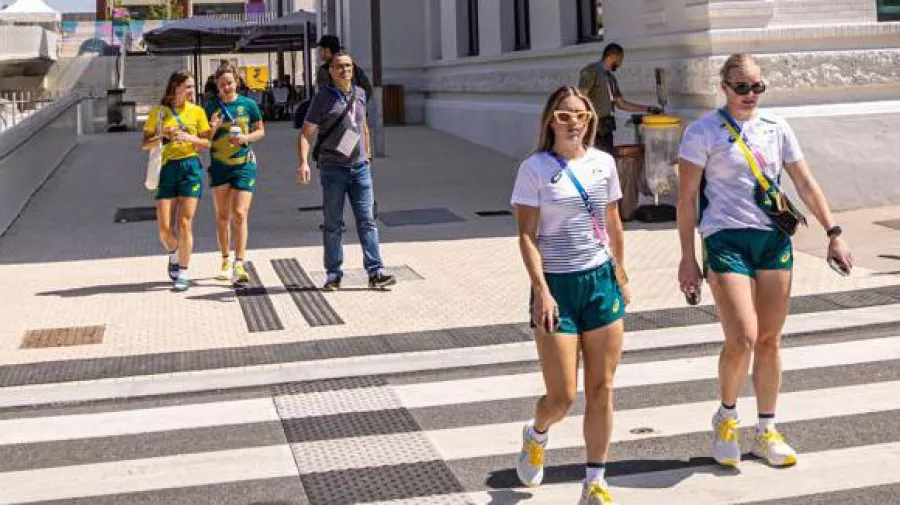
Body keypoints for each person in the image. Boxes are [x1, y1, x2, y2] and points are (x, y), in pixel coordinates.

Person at [676, 53, 854, 469]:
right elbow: (685, 201)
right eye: (742, 86)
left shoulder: (777, 128)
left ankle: (767, 430)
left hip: (773, 241)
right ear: (725, 87)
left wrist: (834, 233)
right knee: (743, 337)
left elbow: (805, 183)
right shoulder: (702, 132)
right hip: (725, 239)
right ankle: (726, 416)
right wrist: (687, 258)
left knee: (771, 340)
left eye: (757, 86)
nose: (750, 94)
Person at [511, 86, 630, 505]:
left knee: (603, 386)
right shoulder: (535, 168)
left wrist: (621, 271)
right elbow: (526, 235)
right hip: (556, 287)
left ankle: (595, 479)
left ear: (591, 120)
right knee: (562, 395)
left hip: (599, 282)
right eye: (564, 116)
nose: (574, 123)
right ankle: (537, 433)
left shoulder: (604, 163)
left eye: (581, 115)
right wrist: (541, 290)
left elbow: (612, 220)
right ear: (550, 121)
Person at [296, 51, 396, 291]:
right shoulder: (322, 98)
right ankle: (333, 273)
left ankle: (375, 271)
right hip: (333, 169)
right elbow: (307, 132)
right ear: (331, 71)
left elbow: (363, 127)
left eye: (349, 66)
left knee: (368, 220)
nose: (345, 71)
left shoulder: (359, 94)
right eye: (340, 67)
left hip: (360, 169)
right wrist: (303, 162)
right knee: (333, 223)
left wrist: (368, 156)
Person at [141, 70, 211, 292]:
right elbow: (145, 144)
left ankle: (184, 271)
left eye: (192, 86)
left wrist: (192, 138)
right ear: (176, 87)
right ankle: (175, 253)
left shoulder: (197, 112)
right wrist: (163, 136)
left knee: (185, 222)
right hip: (167, 168)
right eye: (188, 86)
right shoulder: (158, 113)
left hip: (190, 167)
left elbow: (207, 143)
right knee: (164, 228)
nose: (192, 91)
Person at [204, 62, 265, 285]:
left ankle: (240, 262)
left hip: (243, 166)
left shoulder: (248, 105)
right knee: (222, 215)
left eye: (229, 83)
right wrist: (212, 126)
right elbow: (204, 139)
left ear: (236, 83)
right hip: (219, 166)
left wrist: (246, 139)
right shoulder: (211, 106)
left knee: (239, 214)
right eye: (222, 85)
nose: (226, 88)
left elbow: (260, 131)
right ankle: (225, 260)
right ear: (217, 86)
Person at [578, 43, 662, 155]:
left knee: (606, 160)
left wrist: (648, 108)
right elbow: (580, 98)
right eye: (620, 59)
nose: (620, 64)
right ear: (612, 56)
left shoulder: (611, 79)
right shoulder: (591, 72)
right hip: (593, 128)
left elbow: (621, 103)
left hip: (606, 129)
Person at [315, 35, 373, 101]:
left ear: (327, 51)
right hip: (355, 109)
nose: (320, 53)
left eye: (321, 50)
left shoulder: (324, 70)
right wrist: (358, 105)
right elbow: (367, 89)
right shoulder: (352, 66)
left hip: (336, 110)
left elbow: (324, 95)